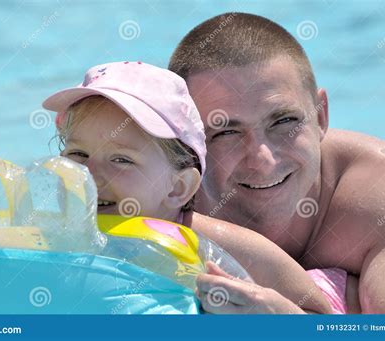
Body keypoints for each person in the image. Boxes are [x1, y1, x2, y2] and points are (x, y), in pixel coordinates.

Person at [42, 61, 334, 314]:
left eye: (121, 159)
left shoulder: (219, 247)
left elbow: (321, 318)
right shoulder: (52, 233)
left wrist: (271, 314)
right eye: (77, 154)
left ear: (178, 188)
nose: (89, 173)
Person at [168, 12, 385, 314]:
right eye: (226, 131)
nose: (262, 159)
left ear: (320, 116)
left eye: (283, 121)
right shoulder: (158, 191)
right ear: (186, 144)